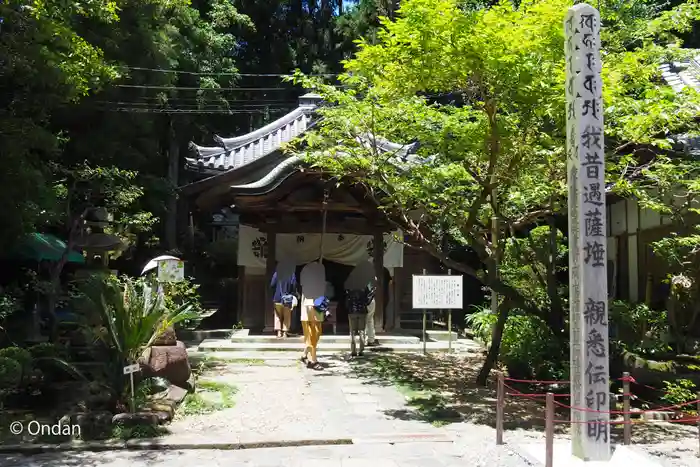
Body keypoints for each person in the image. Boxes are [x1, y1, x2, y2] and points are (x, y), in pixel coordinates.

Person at [345, 260, 379, 348]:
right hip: (370, 300)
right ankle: (370, 339)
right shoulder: (372, 276)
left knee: (358, 321)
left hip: (358, 301)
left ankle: (356, 340)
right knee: (369, 320)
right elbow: (373, 289)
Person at [299, 261, 326, 369]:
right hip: (308, 303)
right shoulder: (306, 269)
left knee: (317, 332)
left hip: (318, 302)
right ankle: (312, 360)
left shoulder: (321, 268)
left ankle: (305, 353)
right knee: (312, 332)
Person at [270, 260, 297, 338]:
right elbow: (294, 286)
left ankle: (279, 332)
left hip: (277, 298)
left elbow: (272, 284)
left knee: (278, 315)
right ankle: (285, 332)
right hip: (287, 298)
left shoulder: (276, 274)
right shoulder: (291, 274)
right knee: (287, 315)